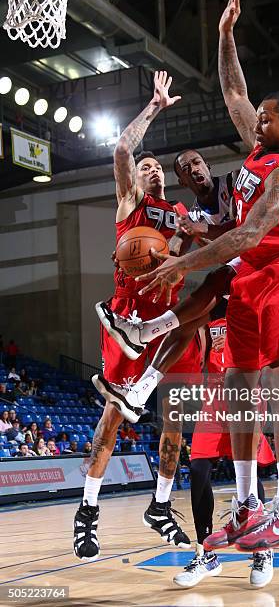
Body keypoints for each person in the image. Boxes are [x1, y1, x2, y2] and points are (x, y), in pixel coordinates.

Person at [128, 0, 279, 552]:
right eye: (255, 118)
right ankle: (248, 505)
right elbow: (234, 90)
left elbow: (243, 238)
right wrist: (224, 32)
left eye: (264, 119)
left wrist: (179, 264)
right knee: (240, 388)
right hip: (249, 280)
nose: (253, 122)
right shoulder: (258, 150)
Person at [73, 70, 202, 562]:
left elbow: (203, 244)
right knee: (111, 420)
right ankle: (87, 511)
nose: (151, 170)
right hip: (127, 323)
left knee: (176, 421)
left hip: (167, 323)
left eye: (155, 167)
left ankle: (161, 505)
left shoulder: (178, 214)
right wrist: (154, 106)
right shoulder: (131, 203)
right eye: (145, 166)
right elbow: (122, 152)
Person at [173, 307, 274, 589]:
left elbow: (270, 354)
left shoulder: (255, 309)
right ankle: (206, 553)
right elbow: (198, 358)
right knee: (197, 468)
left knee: (249, 471)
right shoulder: (209, 315)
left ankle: (261, 547)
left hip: (247, 389)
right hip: (214, 395)